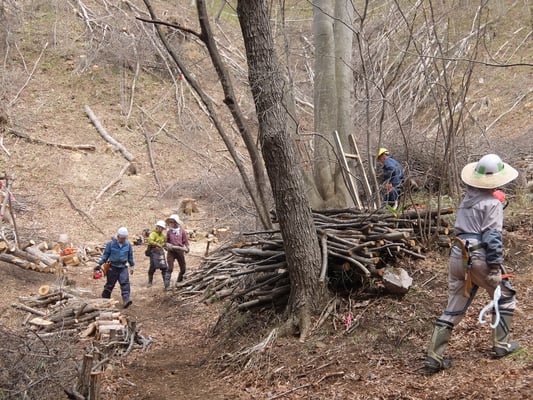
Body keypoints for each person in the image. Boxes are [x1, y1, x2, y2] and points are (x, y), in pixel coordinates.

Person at [424, 154, 519, 374]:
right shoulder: (492, 203)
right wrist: (494, 267)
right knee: (505, 295)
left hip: (457, 255)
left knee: (455, 304)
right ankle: (501, 345)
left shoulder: (467, 200)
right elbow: (492, 236)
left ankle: (434, 357)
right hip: (478, 256)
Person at [97, 227, 135, 308]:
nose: (123, 240)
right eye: (122, 238)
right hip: (112, 267)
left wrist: (132, 265)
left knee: (125, 283)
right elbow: (105, 255)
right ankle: (105, 299)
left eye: (124, 238)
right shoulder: (110, 244)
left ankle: (126, 300)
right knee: (110, 284)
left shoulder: (128, 245)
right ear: (118, 236)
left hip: (123, 267)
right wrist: (99, 264)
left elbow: (130, 256)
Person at [165, 214, 189, 287]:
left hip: (180, 251)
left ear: (176, 222)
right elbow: (165, 242)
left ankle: (179, 281)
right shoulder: (169, 232)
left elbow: (185, 241)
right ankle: (167, 286)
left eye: (171, 222)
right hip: (171, 252)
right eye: (169, 222)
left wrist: (187, 248)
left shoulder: (182, 231)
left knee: (183, 268)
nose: (170, 224)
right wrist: (167, 245)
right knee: (170, 268)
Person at [147, 220, 170, 290]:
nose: (161, 229)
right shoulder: (153, 234)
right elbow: (150, 241)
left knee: (164, 267)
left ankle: (166, 285)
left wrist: (166, 246)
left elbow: (164, 244)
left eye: (162, 228)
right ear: (157, 227)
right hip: (153, 252)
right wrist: (156, 244)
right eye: (160, 227)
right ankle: (150, 281)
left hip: (160, 252)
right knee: (152, 267)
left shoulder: (163, 236)